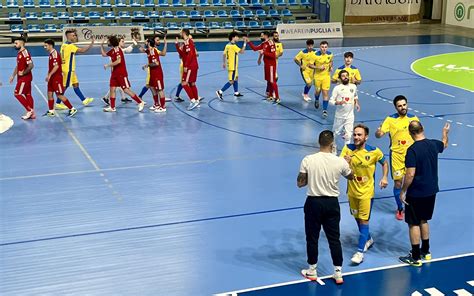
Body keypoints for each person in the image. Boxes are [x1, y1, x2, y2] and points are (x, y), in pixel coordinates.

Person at [298, 130, 354, 285]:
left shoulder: (308, 159)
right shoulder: (340, 161)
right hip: (332, 204)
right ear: (332, 144)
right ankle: (338, 273)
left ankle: (312, 270)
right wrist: (347, 162)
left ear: (318, 142)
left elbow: (300, 183)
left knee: (312, 238)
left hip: (313, 203)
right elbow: (351, 176)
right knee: (334, 239)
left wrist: (314, 176)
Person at [399, 121, 450, 266]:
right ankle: (426, 251)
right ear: (423, 129)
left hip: (416, 193)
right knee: (424, 220)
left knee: (413, 223)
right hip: (431, 190)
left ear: (410, 133)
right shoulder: (433, 144)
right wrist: (445, 133)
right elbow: (444, 144)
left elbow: (410, 174)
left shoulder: (412, 150)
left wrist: (403, 191)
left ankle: (415, 257)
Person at [340, 124, 388, 264]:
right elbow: (341, 168)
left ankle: (359, 253)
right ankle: (368, 238)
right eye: (355, 134)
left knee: (364, 220)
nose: (356, 137)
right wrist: (345, 163)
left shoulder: (374, 151)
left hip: (366, 192)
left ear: (366, 137)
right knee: (357, 217)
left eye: (359, 135)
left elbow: (385, 163)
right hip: (352, 192)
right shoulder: (347, 149)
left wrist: (384, 177)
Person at [375, 95, 420, 220]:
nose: (403, 107)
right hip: (396, 156)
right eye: (400, 106)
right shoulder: (390, 119)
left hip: (412, 154)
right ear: (396, 107)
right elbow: (379, 134)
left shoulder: (414, 118)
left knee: (412, 182)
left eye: (404, 105)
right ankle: (400, 208)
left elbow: (419, 134)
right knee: (398, 183)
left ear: (407, 104)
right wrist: (378, 132)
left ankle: (411, 206)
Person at [100, 36, 145, 112]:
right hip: (114, 74)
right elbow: (104, 54)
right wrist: (101, 45)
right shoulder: (113, 50)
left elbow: (118, 61)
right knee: (112, 89)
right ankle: (112, 107)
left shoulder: (118, 50)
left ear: (112, 42)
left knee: (126, 90)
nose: (107, 42)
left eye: (108, 41)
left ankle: (140, 102)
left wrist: (108, 65)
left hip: (121, 73)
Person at [56, 29, 94, 110]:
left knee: (76, 84)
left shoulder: (63, 45)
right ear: (69, 36)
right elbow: (83, 51)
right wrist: (91, 44)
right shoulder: (70, 46)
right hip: (68, 70)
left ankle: (84, 100)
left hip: (70, 69)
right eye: (73, 35)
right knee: (64, 86)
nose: (75, 37)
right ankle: (57, 103)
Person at [42, 39, 77, 117]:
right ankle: (51, 111)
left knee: (59, 95)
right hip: (51, 78)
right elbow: (51, 67)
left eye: (46, 45)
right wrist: (48, 75)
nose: (44, 47)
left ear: (50, 45)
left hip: (56, 78)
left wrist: (50, 75)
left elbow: (57, 66)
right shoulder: (51, 54)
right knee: (49, 94)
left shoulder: (55, 54)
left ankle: (72, 108)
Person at [244, 32, 280, 104]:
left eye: (262, 35)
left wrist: (263, 52)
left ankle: (277, 97)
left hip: (271, 65)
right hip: (266, 64)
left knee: (272, 81)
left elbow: (273, 55)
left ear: (266, 36)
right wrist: (249, 42)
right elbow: (255, 48)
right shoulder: (264, 43)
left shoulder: (271, 43)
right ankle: (270, 96)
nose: (261, 37)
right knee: (269, 80)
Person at [329, 70, 360, 151]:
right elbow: (331, 101)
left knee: (349, 135)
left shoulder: (353, 86)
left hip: (350, 116)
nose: (345, 77)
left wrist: (357, 103)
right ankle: (333, 148)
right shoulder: (337, 88)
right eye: (343, 76)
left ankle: (346, 152)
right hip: (339, 116)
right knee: (335, 134)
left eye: (347, 75)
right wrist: (338, 102)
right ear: (340, 78)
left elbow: (355, 96)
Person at [9, 36, 35, 120]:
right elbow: (18, 65)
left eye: (16, 43)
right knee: (28, 94)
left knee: (17, 94)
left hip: (25, 78)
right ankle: (32, 113)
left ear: (21, 43)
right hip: (23, 78)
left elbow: (31, 65)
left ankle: (29, 110)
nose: (15, 45)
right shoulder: (20, 53)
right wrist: (13, 75)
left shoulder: (25, 52)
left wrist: (23, 73)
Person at [216, 32, 246, 100]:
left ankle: (236, 92)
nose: (238, 38)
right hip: (233, 67)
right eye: (237, 37)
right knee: (231, 81)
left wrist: (224, 63)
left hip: (230, 65)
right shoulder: (233, 46)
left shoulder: (227, 45)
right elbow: (242, 52)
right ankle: (220, 92)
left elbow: (224, 54)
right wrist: (245, 43)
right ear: (233, 37)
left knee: (236, 78)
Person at [175, 29, 200, 111]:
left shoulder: (188, 41)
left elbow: (190, 54)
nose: (179, 33)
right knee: (192, 83)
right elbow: (182, 54)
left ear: (184, 33)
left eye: (180, 32)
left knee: (184, 83)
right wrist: (177, 45)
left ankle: (193, 101)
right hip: (193, 65)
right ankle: (196, 100)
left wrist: (186, 65)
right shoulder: (188, 42)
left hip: (190, 66)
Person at [142, 37, 168, 112]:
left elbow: (156, 63)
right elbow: (141, 49)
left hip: (157, 73)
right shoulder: (149, 51)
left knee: (160, 90)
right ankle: (156, 104)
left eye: (146, 42)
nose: (145, 43)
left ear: (149, 43)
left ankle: (163, 107)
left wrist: (147, 65)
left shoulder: (153, 51)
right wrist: (135, 43)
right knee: (152, 87)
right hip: (153, 74)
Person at [313, 41, 333, 118]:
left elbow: (331, 61)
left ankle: (325, 110)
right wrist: (318, 67)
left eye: (325, 47)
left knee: (325, 93)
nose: (324, 49)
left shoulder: (330, 54)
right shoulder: (315, 55)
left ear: (327, 47)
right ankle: (317, 99)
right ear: (320, 47)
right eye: (322, 47)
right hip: (317, 77)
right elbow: (310, 65)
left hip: (326, 77)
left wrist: (331, 67)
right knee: (318, 91)